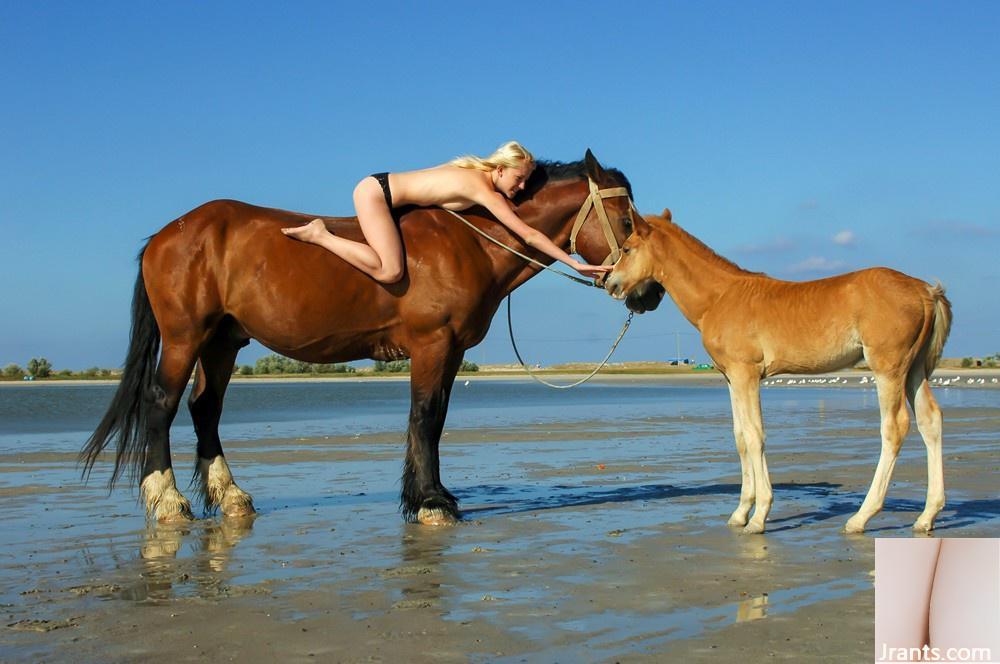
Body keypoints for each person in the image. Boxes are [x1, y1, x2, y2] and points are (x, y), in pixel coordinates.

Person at [281, 141, 612, 283]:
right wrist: (572, 263)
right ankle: (320, 235)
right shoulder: (480, 189)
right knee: (390, 271)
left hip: (380, 187)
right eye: (519, 178)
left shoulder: (472, 174)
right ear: (499, 169)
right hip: (375, 195)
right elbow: (527, 233)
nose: (522, 187)